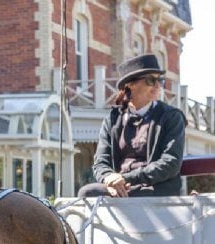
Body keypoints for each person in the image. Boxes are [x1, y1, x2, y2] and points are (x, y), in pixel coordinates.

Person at [78, 54, 186, 198]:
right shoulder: (113, 119)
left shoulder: (172, 116)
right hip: (120, 188)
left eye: (160, 80)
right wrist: (108, 179)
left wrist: (126, 179)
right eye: (150, 80)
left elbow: (171, 163)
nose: (157, 85)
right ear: (131, 85)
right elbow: (101, 162)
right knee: (87, 192)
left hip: (156, 189)